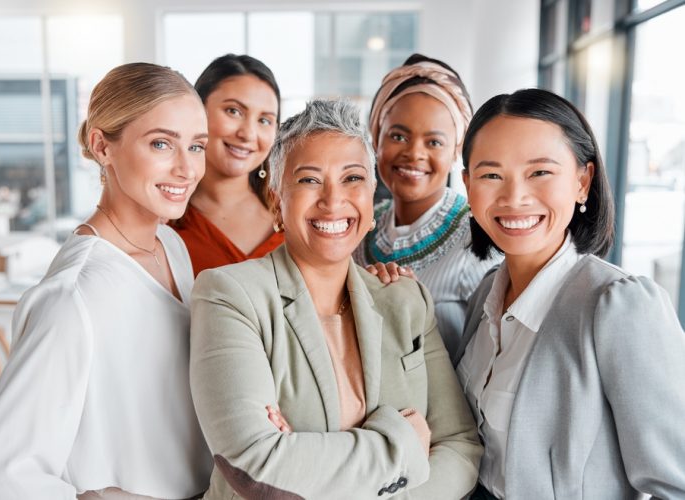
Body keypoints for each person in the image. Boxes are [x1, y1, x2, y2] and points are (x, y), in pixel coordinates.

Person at [190, 99, 482, 499]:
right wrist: (405, 445)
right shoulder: (230, 296)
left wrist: (311, 463)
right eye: (310, 180)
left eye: (352, 179)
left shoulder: (405, 301)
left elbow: (461, 445)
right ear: (277, 202)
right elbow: (255, 464)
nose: (333, 200)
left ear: (371, 199)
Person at [0, 63, 213, 499]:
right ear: (102, 146)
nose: (186, 168)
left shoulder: (170, 246)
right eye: (161, 144)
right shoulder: (74, 296)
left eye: (196, 146)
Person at [454, 88, 685, 499]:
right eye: (491, 175)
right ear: (468, 185)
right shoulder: (487, 291)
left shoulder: (619, 306)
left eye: (540, 172)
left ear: (583, 181)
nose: (514, 197)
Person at [354, 54, 500, 357]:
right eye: (398, 136)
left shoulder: (480, 240)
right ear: (375, 138)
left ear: (456, 150)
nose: (414, 153)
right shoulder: (360, 227)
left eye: (433, 142)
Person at [172, 54, 283, 276]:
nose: (248, 134)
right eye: (233, 111)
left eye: (264, 120)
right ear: (197, 111)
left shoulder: (292, 211)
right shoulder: (164, 222)